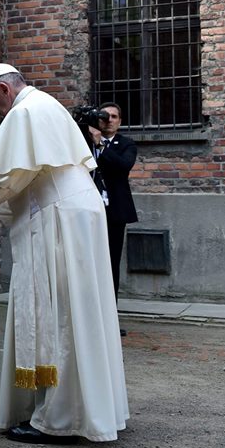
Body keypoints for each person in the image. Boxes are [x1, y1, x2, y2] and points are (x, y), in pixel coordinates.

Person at [0, 63, 129, 444]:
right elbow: (28, 176)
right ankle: (87, 410)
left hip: (59, 217)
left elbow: (10, 178)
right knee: (81, 312)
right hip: (78, 211)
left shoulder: (25, 111)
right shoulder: (48, 104)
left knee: (60, 313)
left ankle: (58, 421)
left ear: (5, 91)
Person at [88, 102, 138, 306]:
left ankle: (110, 316)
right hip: (88, 208)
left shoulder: (127, 144)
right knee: (89, 263)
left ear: (120, 122)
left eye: (114, 116)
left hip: (114, 212)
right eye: (104, 115)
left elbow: (123, 166)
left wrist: (101, 145)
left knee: (110, 262)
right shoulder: (84, 142)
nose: (109, 120)